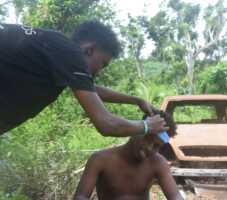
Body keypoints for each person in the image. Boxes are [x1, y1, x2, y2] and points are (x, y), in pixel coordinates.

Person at [0, 21, 168, 137]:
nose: (100, 71)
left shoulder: (55, 49)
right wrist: (147, 126)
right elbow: (106, 124)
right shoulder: (71, 55)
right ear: (89, 49)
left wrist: (135, 100)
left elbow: (91, 89)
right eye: (103, 63)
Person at [74, 111, 183, 200]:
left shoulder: (158, 163)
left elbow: (175, 196)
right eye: (148, 139)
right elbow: (81, 196)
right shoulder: (100, 160)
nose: (150, 148)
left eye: (156, 146)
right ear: (137, 130)